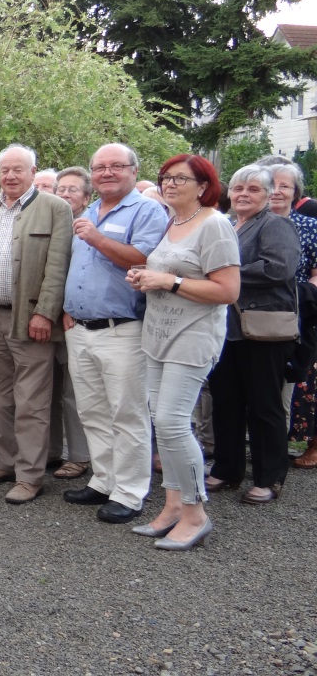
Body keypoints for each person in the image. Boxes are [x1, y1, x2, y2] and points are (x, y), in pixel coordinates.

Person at [127, 154, 239, 549]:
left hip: (192, 337)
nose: (169, 184)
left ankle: (195, 512)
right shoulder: (174, 221)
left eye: (180, 178)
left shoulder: (215, 225)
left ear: (204, 186)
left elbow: (227, 291)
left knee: (173, 423)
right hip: (159, 334)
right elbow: (171, 272)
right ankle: (173, 505)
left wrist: (169, 280)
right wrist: (145, 277)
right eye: (165, 178)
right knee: (163, 421)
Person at [0, 145, 73, 505]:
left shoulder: (55, 208)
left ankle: (30, 475)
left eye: (17, 170)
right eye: (4, 170)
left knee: (32, 400)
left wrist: (45, 313)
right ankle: (5, 460)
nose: (10, 176)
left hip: (30, 317)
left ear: (33, 171)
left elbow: (58, 267)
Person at [60, 145, 167, 524]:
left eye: (116, 166)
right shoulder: (88, 211)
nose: (107, 172)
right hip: (80, 328)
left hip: (122, 328)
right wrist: (65, 308)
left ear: (134, 170)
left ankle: (131, 492)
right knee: (93, 411)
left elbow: (144, 260)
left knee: (127, 412)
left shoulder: (148, 210)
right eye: (100, 167)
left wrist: (96, 238)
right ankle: (104, 480)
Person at [205, 165, 300, 506]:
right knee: (226, 402)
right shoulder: (228, 225)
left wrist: (226, 275)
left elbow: (278, 268)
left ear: (268, 194)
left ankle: (269, 476)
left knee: (264, 406)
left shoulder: (276, 224)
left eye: (253, 189)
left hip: (263, 330)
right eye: (239, 188)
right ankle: (228, 468)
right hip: (225, 329)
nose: (244, 194)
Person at [46, 166, 92, 481]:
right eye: (60, 189)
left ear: (87, 197)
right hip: (44, 317)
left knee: (73, 392)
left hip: (75, 319)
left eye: (72, 190)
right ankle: (48, 451)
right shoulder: (49, 221)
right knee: (44, 389)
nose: (64, 194)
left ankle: (79, 456)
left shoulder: (89, 226)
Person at [272, 163, 317, 468]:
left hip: (295, 316)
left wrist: (298, 294)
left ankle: (273, 458)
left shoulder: (310, 226)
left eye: (284, 186)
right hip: (242, 316)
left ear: (295, 192)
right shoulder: (237, 222)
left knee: (284, 389)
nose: (277, 191)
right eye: (271, 184)